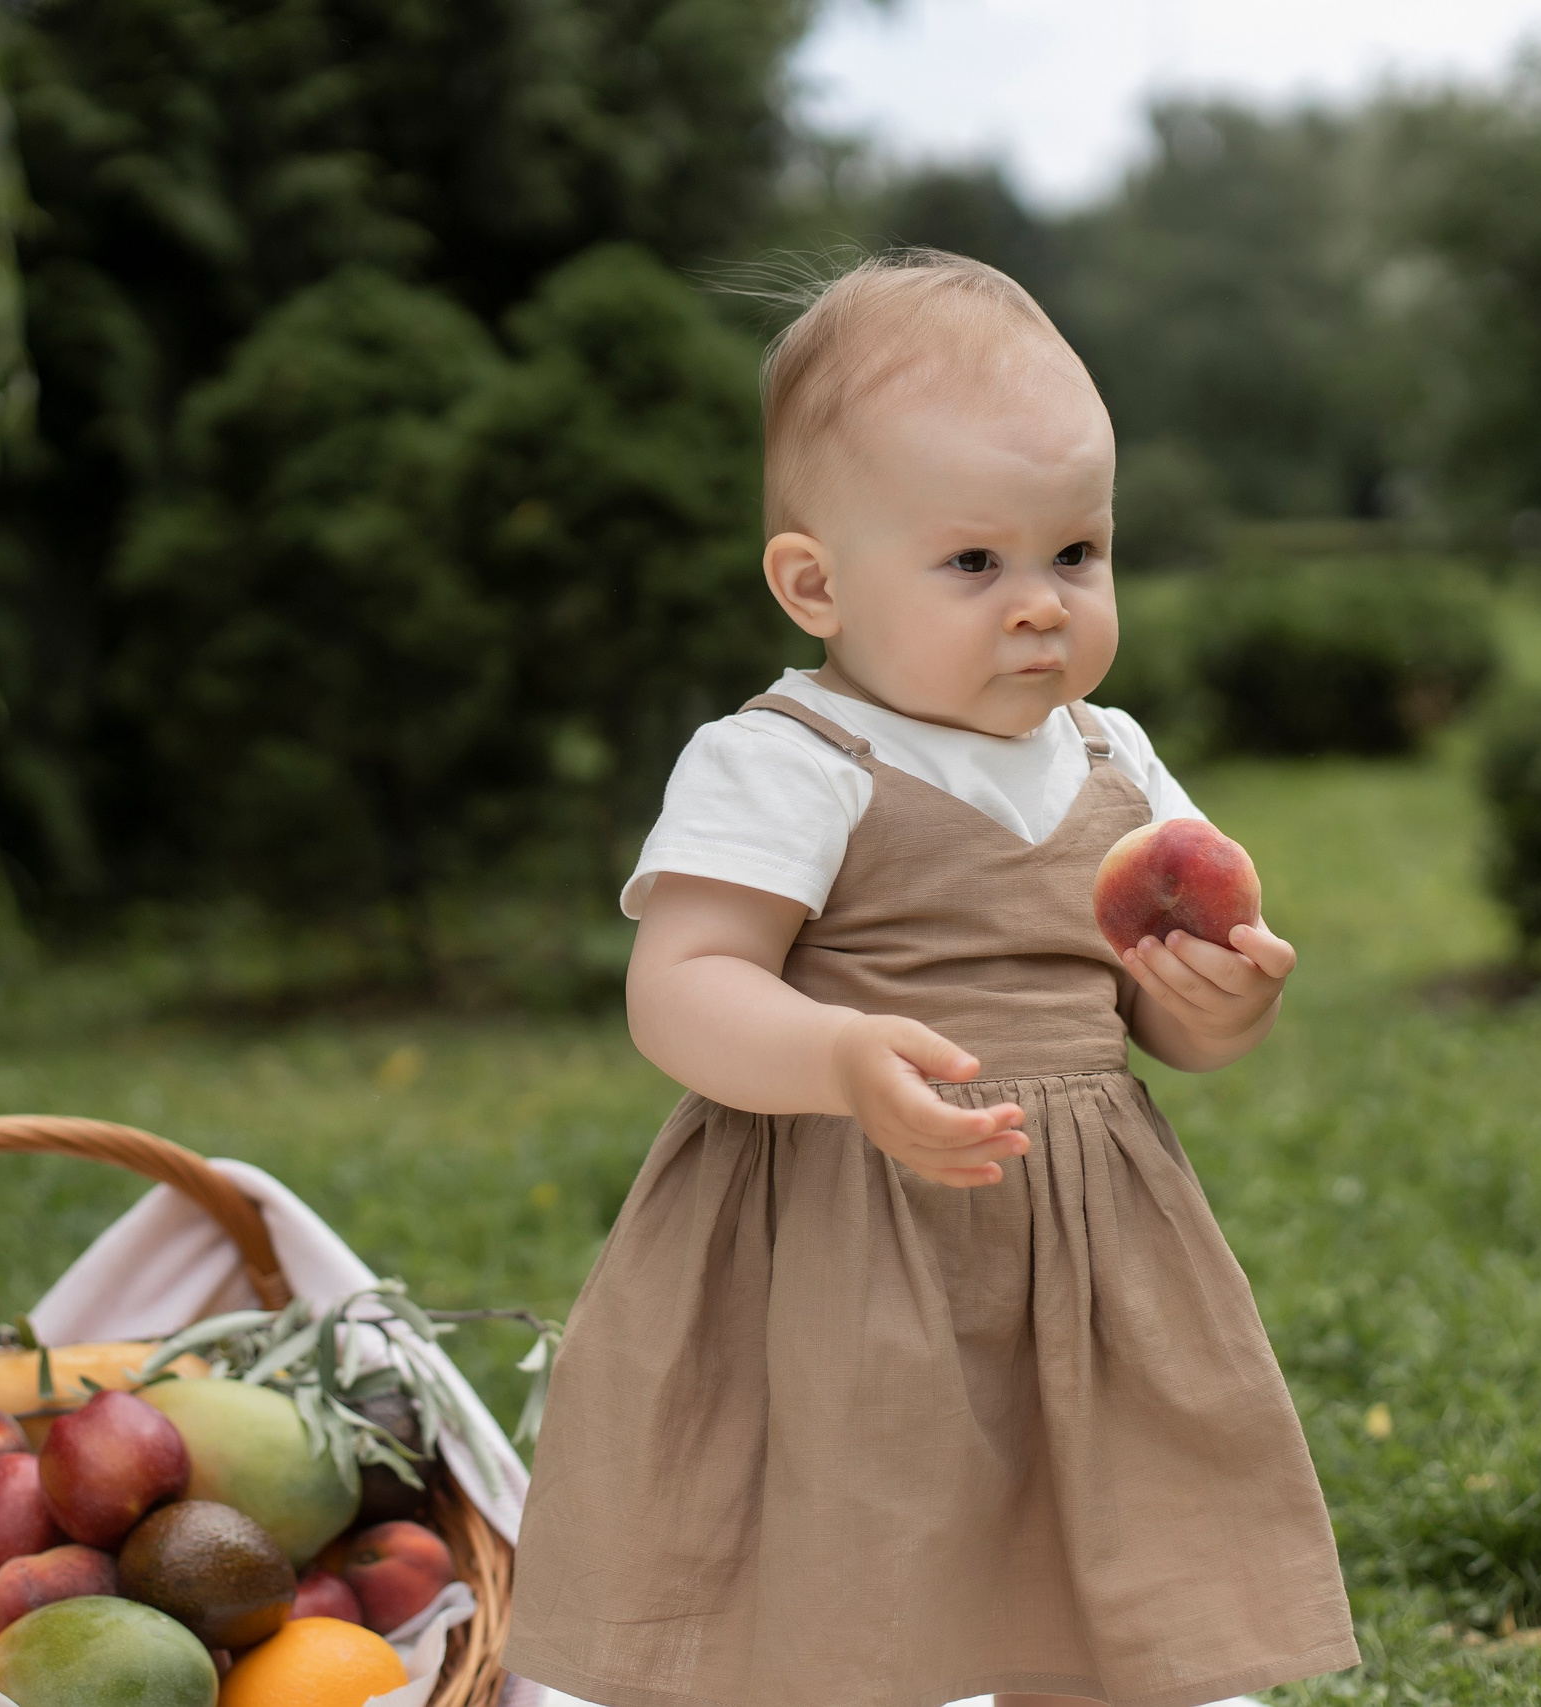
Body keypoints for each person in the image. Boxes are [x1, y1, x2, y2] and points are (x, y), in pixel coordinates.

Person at [499, 250, 1357, 1707]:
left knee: (1100, 1512)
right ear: (814, 585)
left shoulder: (1116, 757)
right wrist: (835, 1059)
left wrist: (1216, 1006)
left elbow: (1153, 1010)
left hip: (1086, 1238)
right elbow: (684, 983)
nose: (1041, 606)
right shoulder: (788, 760)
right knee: (872, 1527)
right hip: (844, 1226)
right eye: (975, 564)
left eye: (1075, 554)